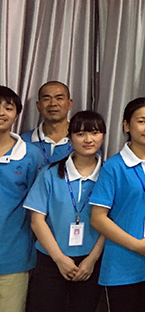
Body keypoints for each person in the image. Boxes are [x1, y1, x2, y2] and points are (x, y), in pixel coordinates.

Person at [24, 110, 106, 312]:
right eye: (80, 134)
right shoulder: (49, 174)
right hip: (50, 260)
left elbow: (111, 222)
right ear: (69, 138)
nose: (88, 139)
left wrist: (92, 260)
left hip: (92, 261)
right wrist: (59, 259)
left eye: (95, 133)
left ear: (103, 136)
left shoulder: (109, 174)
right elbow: (37, 220)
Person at [90, 98, 145, 312]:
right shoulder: (113, 166)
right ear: (126, 125)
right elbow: (97, 218)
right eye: (141, 121)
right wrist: (136, 245)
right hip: (121, 265)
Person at [0, 86, 48, 312]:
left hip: (14, 257)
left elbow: (38, 206)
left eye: (8, 108)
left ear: (17, 114)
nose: (1, 113)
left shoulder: (31, 155)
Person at [21, 81, 73, 163]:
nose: (53, 103)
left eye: (59, 98)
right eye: (46, 99)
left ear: (69, 104)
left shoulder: (85, 140)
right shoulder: (24, 142)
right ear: (38, 106)